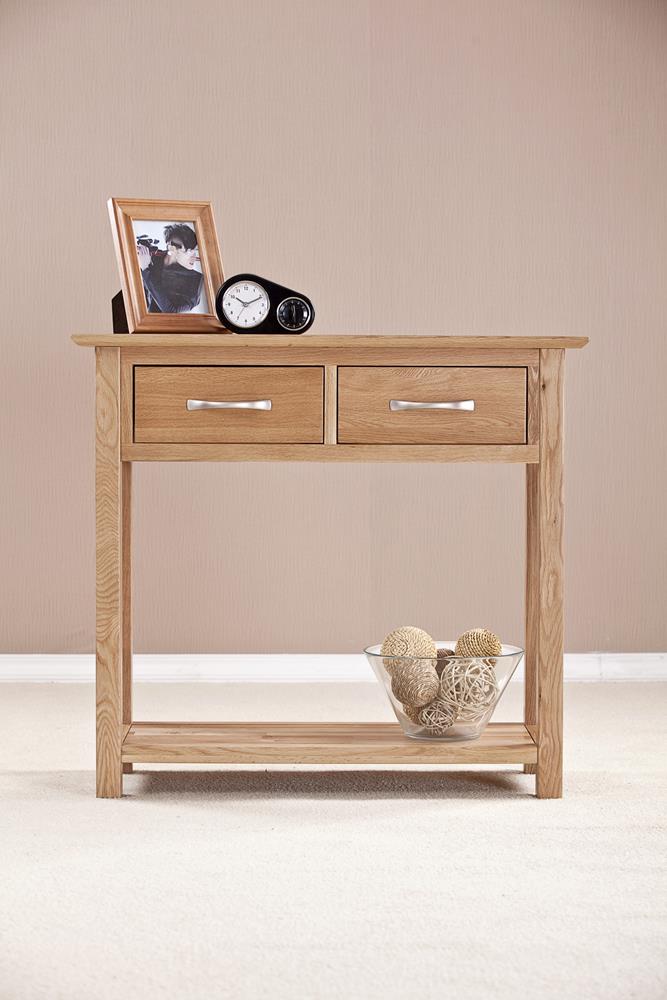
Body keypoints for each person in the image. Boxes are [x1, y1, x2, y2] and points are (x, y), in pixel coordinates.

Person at [137, 223, 204, 313]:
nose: (194, 256)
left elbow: (171, 311)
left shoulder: (195, 279)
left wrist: (145, 269)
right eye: (188, 252)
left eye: (194, 251)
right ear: (171, 249)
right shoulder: (152, 259)